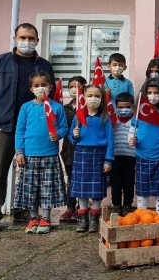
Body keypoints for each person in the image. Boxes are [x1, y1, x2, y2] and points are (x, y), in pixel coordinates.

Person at [0, 23, 56, 233]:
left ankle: (23, 210)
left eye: (31, 38)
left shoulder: (44, 66)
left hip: (33, 130)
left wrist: (51, 126)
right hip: (3, 126)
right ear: (15, 39)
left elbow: (52, 97)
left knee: (29, 172)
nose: (27, 42)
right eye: (23, 37)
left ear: (37, 41)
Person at [13, 72, 68, 234]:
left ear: (50, 87)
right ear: (31, 89)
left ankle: (45, 217)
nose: (40, 88)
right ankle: (33, 218)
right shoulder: (26, 108)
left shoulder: (57, 107)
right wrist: (19, 152)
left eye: (43, 85)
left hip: (50, 155)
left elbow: (64, 127)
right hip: (29, 156)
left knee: (47, 188)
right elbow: (20, 131)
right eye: (36, 86)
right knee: (30, 189)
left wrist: (58, 135)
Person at [128, 80, 159, 215]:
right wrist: (131, 139)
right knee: (142, 191)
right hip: (143, 156)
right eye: (149, 92)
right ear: (144, 94)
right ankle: (142, 216)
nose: (153, 95)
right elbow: (132, 130)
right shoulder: (139, 112)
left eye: (156, 92)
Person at [70, 84, 114, 233]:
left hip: (99, 154)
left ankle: (94, 218)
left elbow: (110, 139)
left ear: (101, 98)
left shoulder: (104, 118)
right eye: (90, 96)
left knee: (97, 188)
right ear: (83, 97)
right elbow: (72, 139)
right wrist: (75, 135)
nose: (93, 98)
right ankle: (83, 218)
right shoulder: (78, 117)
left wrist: (108, 159)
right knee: (81, 188)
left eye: (97, 96)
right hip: (82, 154)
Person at [59, 76, 87, 222]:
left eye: (76, 86)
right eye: (70, 87)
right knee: (70, 180)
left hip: (84, 150)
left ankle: (81, 208)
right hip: (68, 150)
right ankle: (70, 207)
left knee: (81, 180)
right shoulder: (65, 109)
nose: (73, 89)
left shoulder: (89, 108)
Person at [110, 92, 136, 216]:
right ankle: (116, 206)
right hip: (115, 156)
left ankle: (127, 205)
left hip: (131, 157)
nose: (124, 109)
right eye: (120, 107)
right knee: (115, 183)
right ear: (116, 107)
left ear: (132, 106)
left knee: (129, 183)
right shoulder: (113, 120)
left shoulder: (136, 120)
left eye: (127, 107)